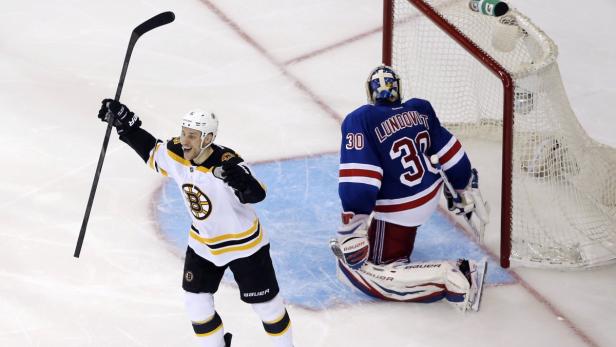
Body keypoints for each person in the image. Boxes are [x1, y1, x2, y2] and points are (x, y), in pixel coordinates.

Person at [97, 100, 294, 346]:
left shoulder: (228, 163)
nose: (186, 140)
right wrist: (126, 125)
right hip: (203, 244)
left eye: (193, 135)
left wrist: (242, 183)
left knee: (268, 309)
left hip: (244, 246)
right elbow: (151, 151)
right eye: (184, 133)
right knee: (196, 305)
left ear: (208, 137)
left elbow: (257, 194)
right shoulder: (176, 152)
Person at [330, 65, 489, 312]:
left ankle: (454, 277)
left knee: (369, 270)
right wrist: (462, 185)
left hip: (400, 207)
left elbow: (360, 181)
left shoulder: (360, 119)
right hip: (430, 190)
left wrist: (354, 226)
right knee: (380, 242)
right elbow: (452, 154)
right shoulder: (419, 110)